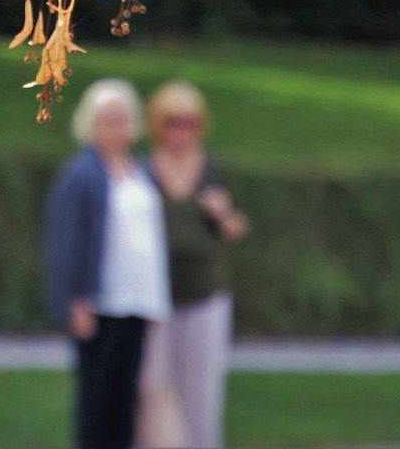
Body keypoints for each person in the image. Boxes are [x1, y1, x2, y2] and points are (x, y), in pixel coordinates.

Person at [45, 78, 171, 449]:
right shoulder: (82, 173)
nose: (116, 127)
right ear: (91, 122)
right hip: (101, 301)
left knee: (126, 397)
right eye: (107, 118)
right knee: (97, 398)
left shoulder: (141, 171)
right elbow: (66, 239)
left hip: (139, 299)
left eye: (122, 118)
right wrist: (75, 298)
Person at [136, 79, 249, 449]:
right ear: (158, 124)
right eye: (173, 122)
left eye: (189, 122)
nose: (182, 131)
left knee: (201, 390)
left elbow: (236, 228)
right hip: (155, 298)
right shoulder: (143, 172)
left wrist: (223, 212)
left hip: (204, 295)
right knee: (152, 388)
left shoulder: (211, 170)